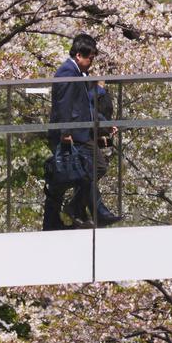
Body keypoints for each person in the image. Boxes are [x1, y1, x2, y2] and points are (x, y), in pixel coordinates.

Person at [43, 34, 120, 230]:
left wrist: (103, 124)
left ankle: (71, 213)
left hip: (78, 132)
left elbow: (83, 107)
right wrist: (65, 132)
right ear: (79, 55)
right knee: (94, 168)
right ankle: (81, 210)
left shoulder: (75, 73)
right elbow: (64, 105)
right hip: (73, 134)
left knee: (77, 174)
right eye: (90, 58)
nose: (91, 63)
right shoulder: (67, 73)